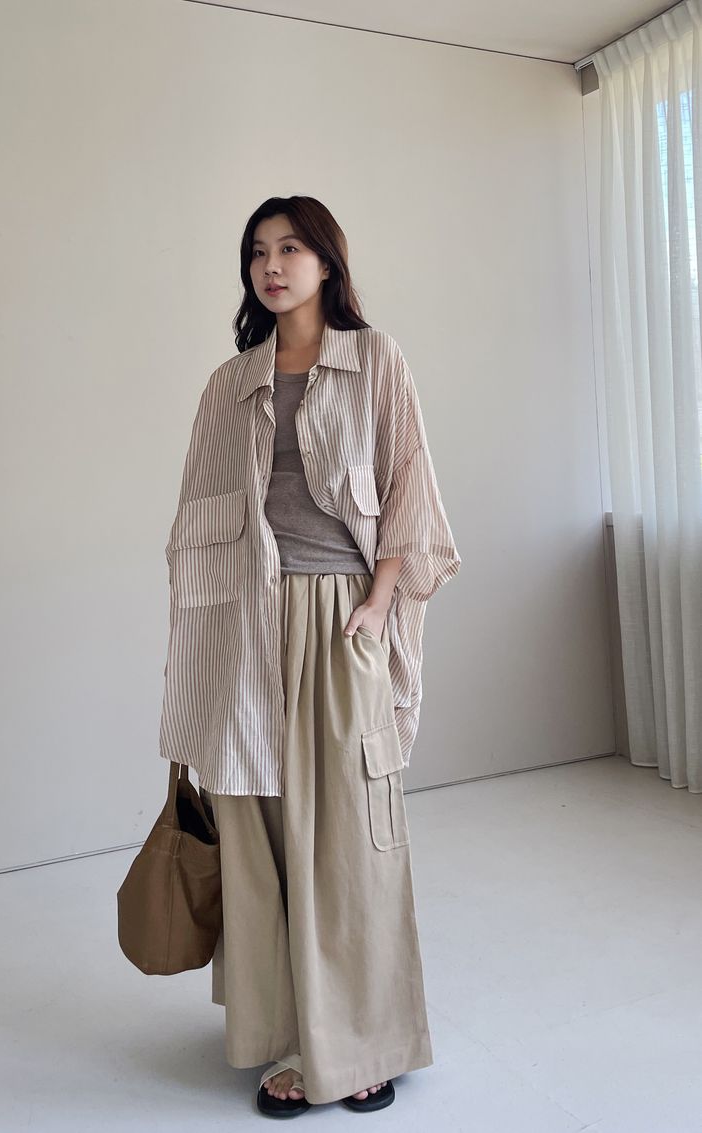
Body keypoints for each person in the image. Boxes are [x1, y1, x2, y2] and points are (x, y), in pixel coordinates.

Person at [158, 195, 461, 1117]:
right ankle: (286, 1038)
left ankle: (364, 1040)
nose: (272, 265)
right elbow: (196, 528)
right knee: (259, 835)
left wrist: (378, 603)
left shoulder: (375, 359)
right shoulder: (230, 384)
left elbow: (409, 482)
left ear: (327, 261)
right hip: (246, 620)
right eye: (258, 251)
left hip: (339, 616)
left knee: (350, 834)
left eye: (291, 248)